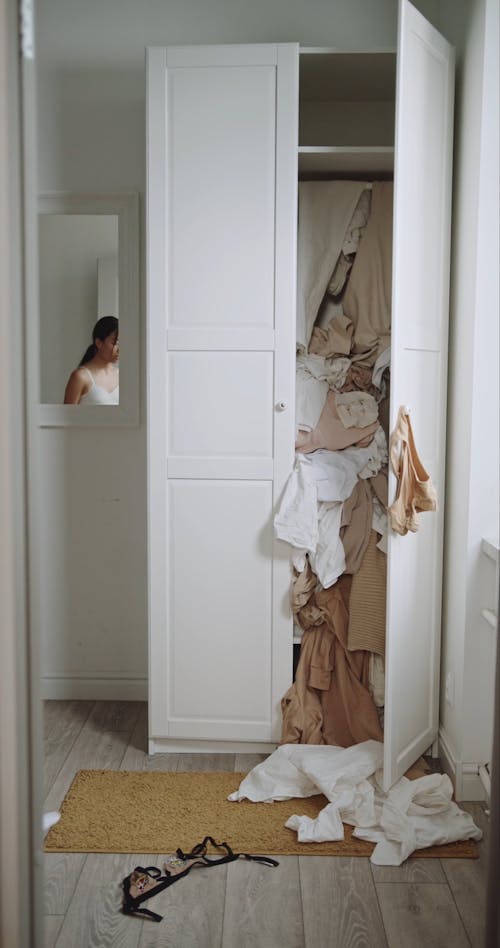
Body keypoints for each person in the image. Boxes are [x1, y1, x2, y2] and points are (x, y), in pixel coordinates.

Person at [64, 316, 119, 404]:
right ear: (98, 343)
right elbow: (67, 416)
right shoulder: (80, 377)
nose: (118, 349)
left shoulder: (121, 376)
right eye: (114, 343)